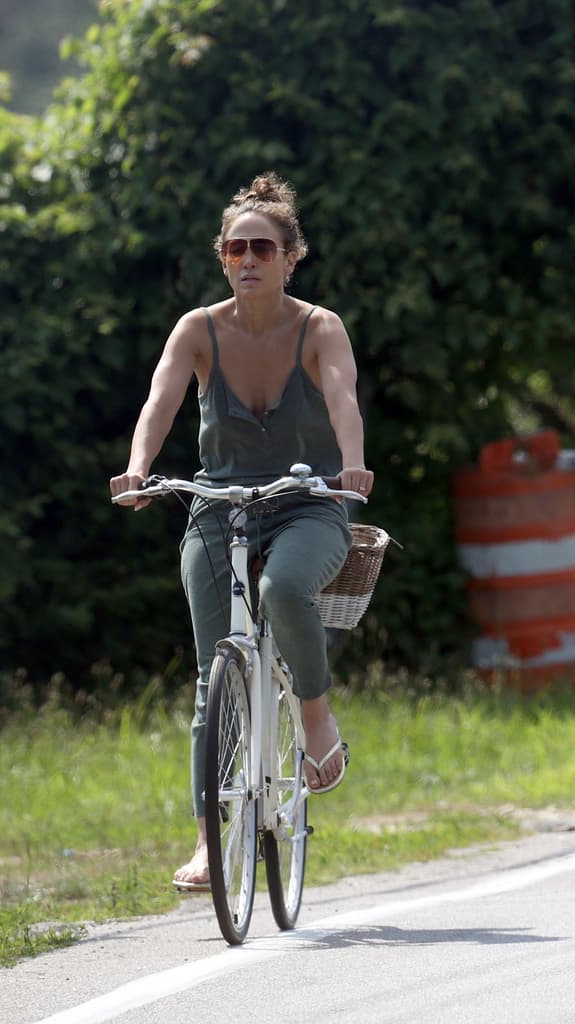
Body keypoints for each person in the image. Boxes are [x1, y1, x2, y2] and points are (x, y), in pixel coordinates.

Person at [109, 171, 374, 891]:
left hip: (308, 501)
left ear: (292, 257)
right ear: (222, 257)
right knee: (211, 677)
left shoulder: (319, 328)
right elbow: (160, 402)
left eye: (263, 247)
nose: (248, 259)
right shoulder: (198, 330)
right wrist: (138, 469)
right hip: (217, 503)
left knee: (284, 586)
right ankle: (206, 841)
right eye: (236, 248)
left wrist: (351, 467)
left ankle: (316, 718)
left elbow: (343, 397)